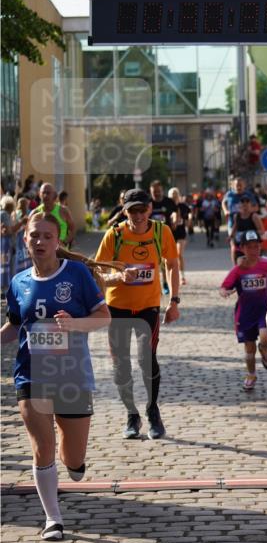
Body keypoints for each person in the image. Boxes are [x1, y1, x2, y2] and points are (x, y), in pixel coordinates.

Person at [1, 212, 110, 540]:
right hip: (31, 374)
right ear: (25, 240)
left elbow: (103, 317)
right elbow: (13, 326)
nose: (40, 241)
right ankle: (53, 518)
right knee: (41, 447)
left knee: (72, 459)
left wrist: (75, 324)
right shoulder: (19, 282)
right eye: (34, 236)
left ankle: (73, 464)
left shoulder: (76, 274)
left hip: (72, 375)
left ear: (58, 241)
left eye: (47, 236)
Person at [95, 188, 180, 440]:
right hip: (118, 308)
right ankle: (132, 416)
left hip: (148, 307)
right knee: (121, 366)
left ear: (150, 209)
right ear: (124, 211)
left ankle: (153, 411)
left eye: (142, 209)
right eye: (133, 210)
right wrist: (118, 276)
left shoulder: (160, 231)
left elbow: (172, 264)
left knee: (147, 359)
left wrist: (174, 301)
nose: (138, 215)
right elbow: (97, 273)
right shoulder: (115, 235)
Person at [220, 229, 267, 391]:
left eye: (256, 247)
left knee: (266, 337)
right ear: (242, 249)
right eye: (249, 247)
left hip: (264, 310)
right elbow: (224, 286)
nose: (253, 251)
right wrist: (225, 292)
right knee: (249, 348)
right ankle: (251, 374)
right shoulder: (238, 270)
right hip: (245, 314)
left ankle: (264, 347)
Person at [149, 181, 177, 295]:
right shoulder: (147, 204)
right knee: (155, 263)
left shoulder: (168, 202)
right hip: (150, 238)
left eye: (158, 191)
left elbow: (175, 211)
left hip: (166, 237)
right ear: (150, 192)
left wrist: (175, 218)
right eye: (154, 192)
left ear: (162, 191)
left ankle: (165, 283)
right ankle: (155, 284)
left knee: (167, 262)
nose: (156, 193)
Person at [33, 182, 75, 247]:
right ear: (39, 195)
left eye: (48, 193)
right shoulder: (35, 213)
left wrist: (64, 242)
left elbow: (72, 229)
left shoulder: (63, 211)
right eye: (43, 193)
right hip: (42, 253)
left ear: (54, 195)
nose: (45, 195)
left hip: (61, 253)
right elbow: (27, 233)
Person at [230, 193, 264, 264]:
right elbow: (235, 227)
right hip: (240, 243)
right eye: (243, 203)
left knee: (252, 263)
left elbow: (262, 231)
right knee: (235, 252)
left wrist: (249, 233)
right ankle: (236, 268)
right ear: (240, 206)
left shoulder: (254, 216)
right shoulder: (237, 216)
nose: (245, 205)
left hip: (251, 243)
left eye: (247, 203)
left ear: (250, 205)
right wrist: (231, 236)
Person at [168, 187, 192, 285]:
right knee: (169, 257)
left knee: (179, 254)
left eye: (175, 195)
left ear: (178, 196)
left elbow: (189, 213)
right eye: (172, 195)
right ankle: (171, 276)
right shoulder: (168, 206)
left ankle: (182, 276)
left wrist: (190, 219)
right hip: (169, 234)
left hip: (181, 233)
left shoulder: (182, 206)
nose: (174, 197)